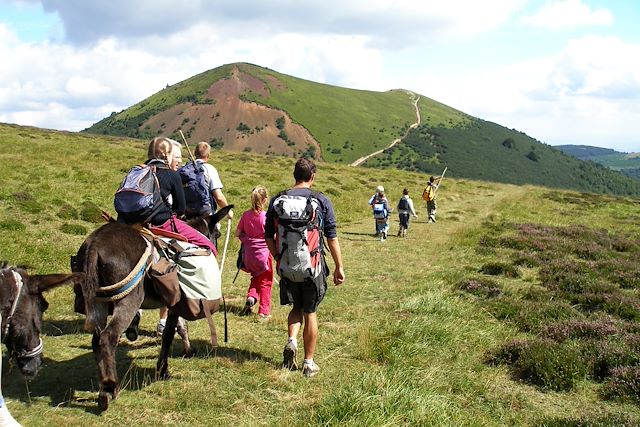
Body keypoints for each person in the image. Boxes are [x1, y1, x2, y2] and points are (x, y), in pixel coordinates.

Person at [265, 158, 345, 378]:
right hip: (312, 266)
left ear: (294, 175)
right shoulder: (321, 200)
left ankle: (292, 341)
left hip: (287, 265)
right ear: (313, 177)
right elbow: (331, 238)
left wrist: (278, 257)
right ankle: (308, 363)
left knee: (295, 307)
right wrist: (339, 267)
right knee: (310, 311)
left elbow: (268, 236)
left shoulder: (277, 199)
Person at [235, 186, 273, 320]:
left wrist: (248, 240)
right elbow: (272, 236)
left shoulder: (246, 215)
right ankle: (263, 311)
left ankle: (251, 296)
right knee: (266, 281)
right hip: (263, 255)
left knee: (256, 277)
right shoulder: (266, 217)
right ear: (264, 200)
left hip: (249, 255)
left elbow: (238, 234)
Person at [187, 141, 233, 219]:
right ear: (208, 155)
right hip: (205, 216)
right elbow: (219, 197)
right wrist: (227, 210)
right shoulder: (209, 169)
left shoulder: (186, 169)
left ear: (195, 153)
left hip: (187, 215)